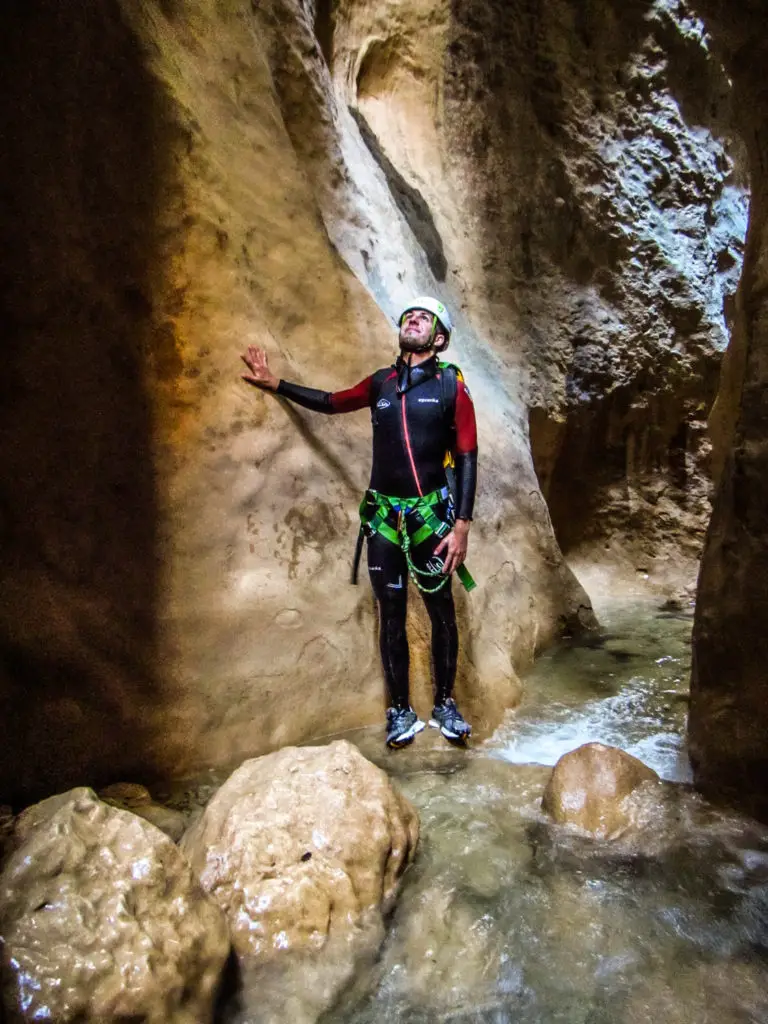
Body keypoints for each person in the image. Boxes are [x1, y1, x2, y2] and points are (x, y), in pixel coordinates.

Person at [240, 297, 478, 749]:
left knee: (441, 610)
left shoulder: (451, 387)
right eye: (409, 315)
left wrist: (461, 524)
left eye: (424, 318)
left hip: (432, 518)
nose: (413, 319)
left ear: (439, 338)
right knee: (390, 614)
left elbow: (467, 454)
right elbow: (331, 402)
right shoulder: (381, 384)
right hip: (384, 517)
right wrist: (277, 385)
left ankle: (445, 703)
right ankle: (400, 711)